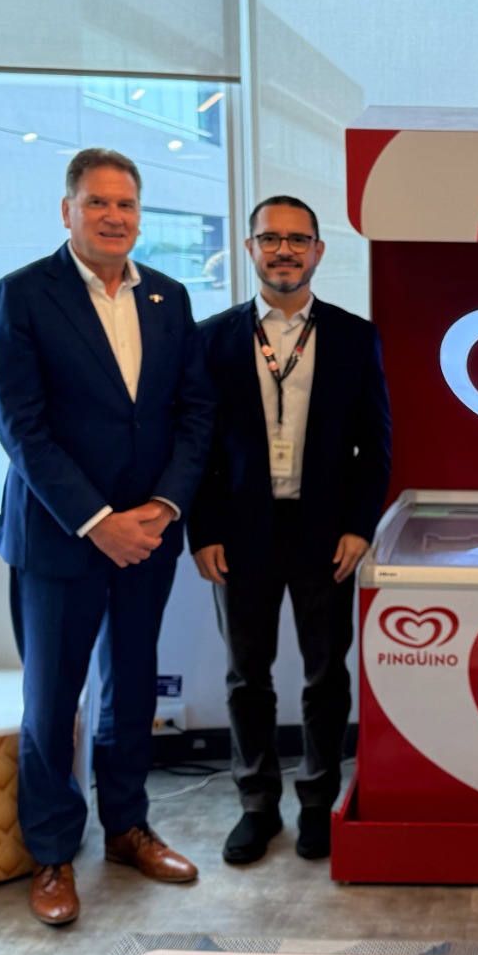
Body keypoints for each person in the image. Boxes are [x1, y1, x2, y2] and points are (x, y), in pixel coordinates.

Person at [0, 148, 215, 926]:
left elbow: (194, 413)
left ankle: (126, 828)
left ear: (140, 215)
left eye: (126, 204)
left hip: (147, 534)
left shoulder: (168, 296)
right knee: (53, 699)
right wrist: (98, 522)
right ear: (67, 211)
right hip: (60, 538)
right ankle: (53, 852)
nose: (113, 216)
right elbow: (22, 428)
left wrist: (163, 507)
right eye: (97, 203)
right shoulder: (22, 295)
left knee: (132, 684)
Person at [189, 196, 392, 866]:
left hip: (325, 535)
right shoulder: (212, 339)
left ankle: (316, 801)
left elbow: (375, 446)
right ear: (250, 248)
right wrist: (202, 530)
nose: (284, 251)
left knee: (325, 675)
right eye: (270, 239)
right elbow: (197, 446)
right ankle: (256, 803)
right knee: (246, 676)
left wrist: (360, 527)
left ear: (318, 252)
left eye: (298, 240)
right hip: (239, 535)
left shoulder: (354, 337)